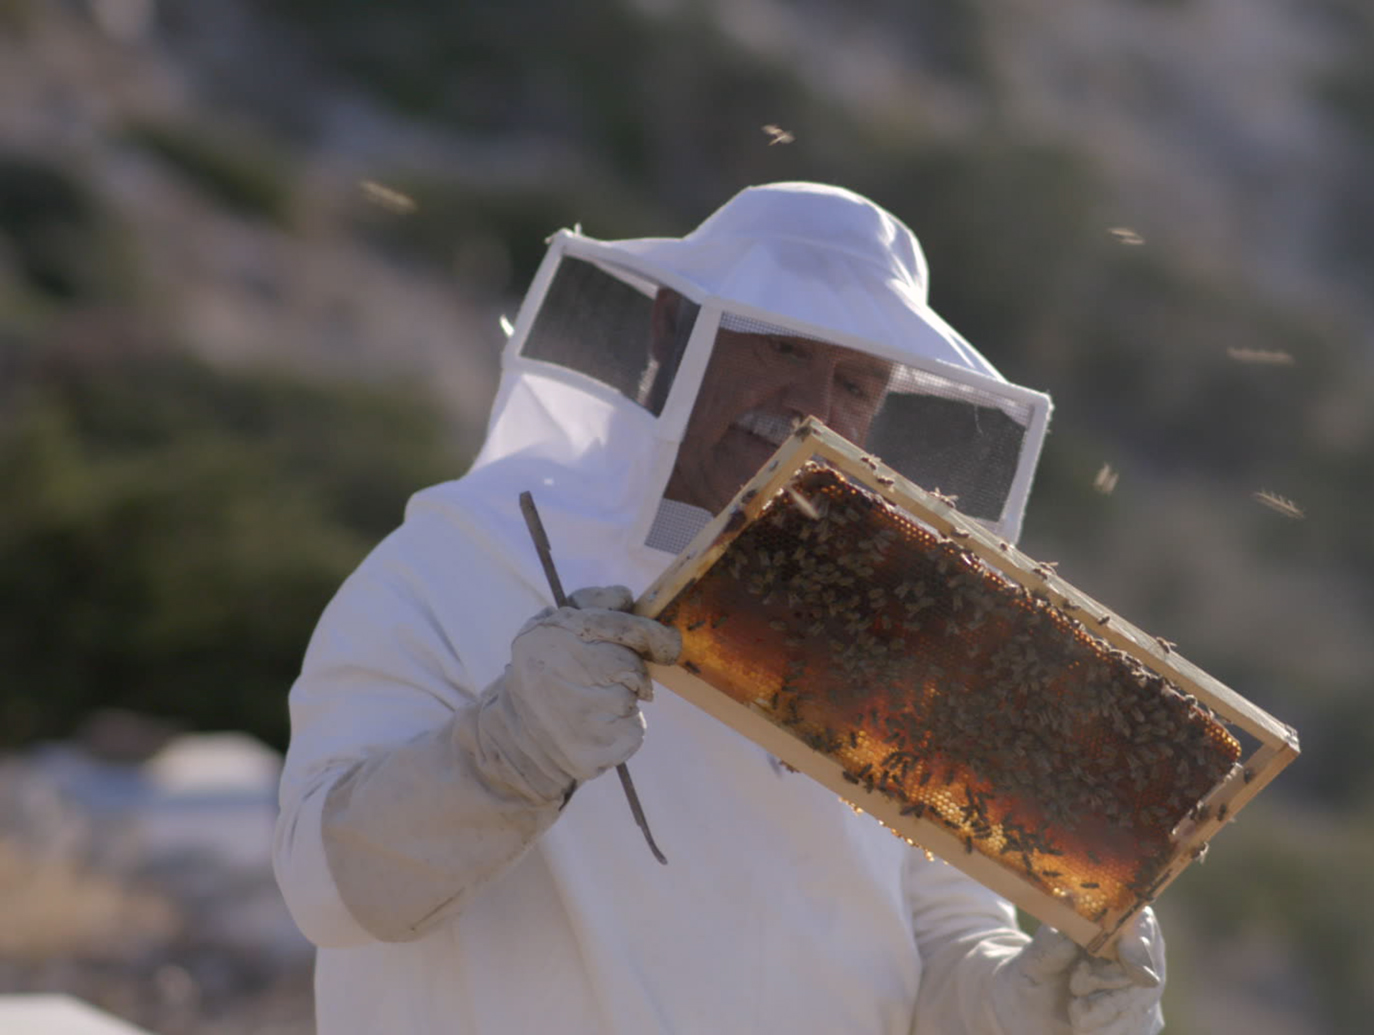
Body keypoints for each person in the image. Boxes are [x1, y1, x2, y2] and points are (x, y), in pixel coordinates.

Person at [272, 182, 1168, 1034]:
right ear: (675, 326)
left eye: (854, 384)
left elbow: (926, 945)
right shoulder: (468, 557)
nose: (810, 410)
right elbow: (325, 885)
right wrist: (502, 754)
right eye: (785, 347)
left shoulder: (890, 661)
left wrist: (1019, 1003)